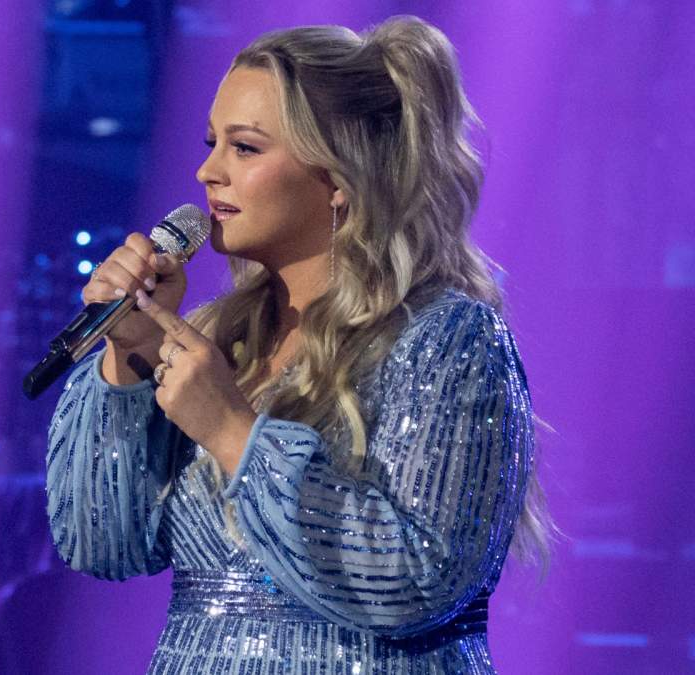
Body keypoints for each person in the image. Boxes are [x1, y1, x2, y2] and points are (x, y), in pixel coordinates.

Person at [45, 15, 552, 674]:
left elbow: (420, 580)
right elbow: (101, 545)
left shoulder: (449, 339)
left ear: (338, 174)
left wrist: (232, 431)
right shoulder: (218, 342)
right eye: (211, 143)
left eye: (244, 147)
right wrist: (130, 356)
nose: (207, 171)